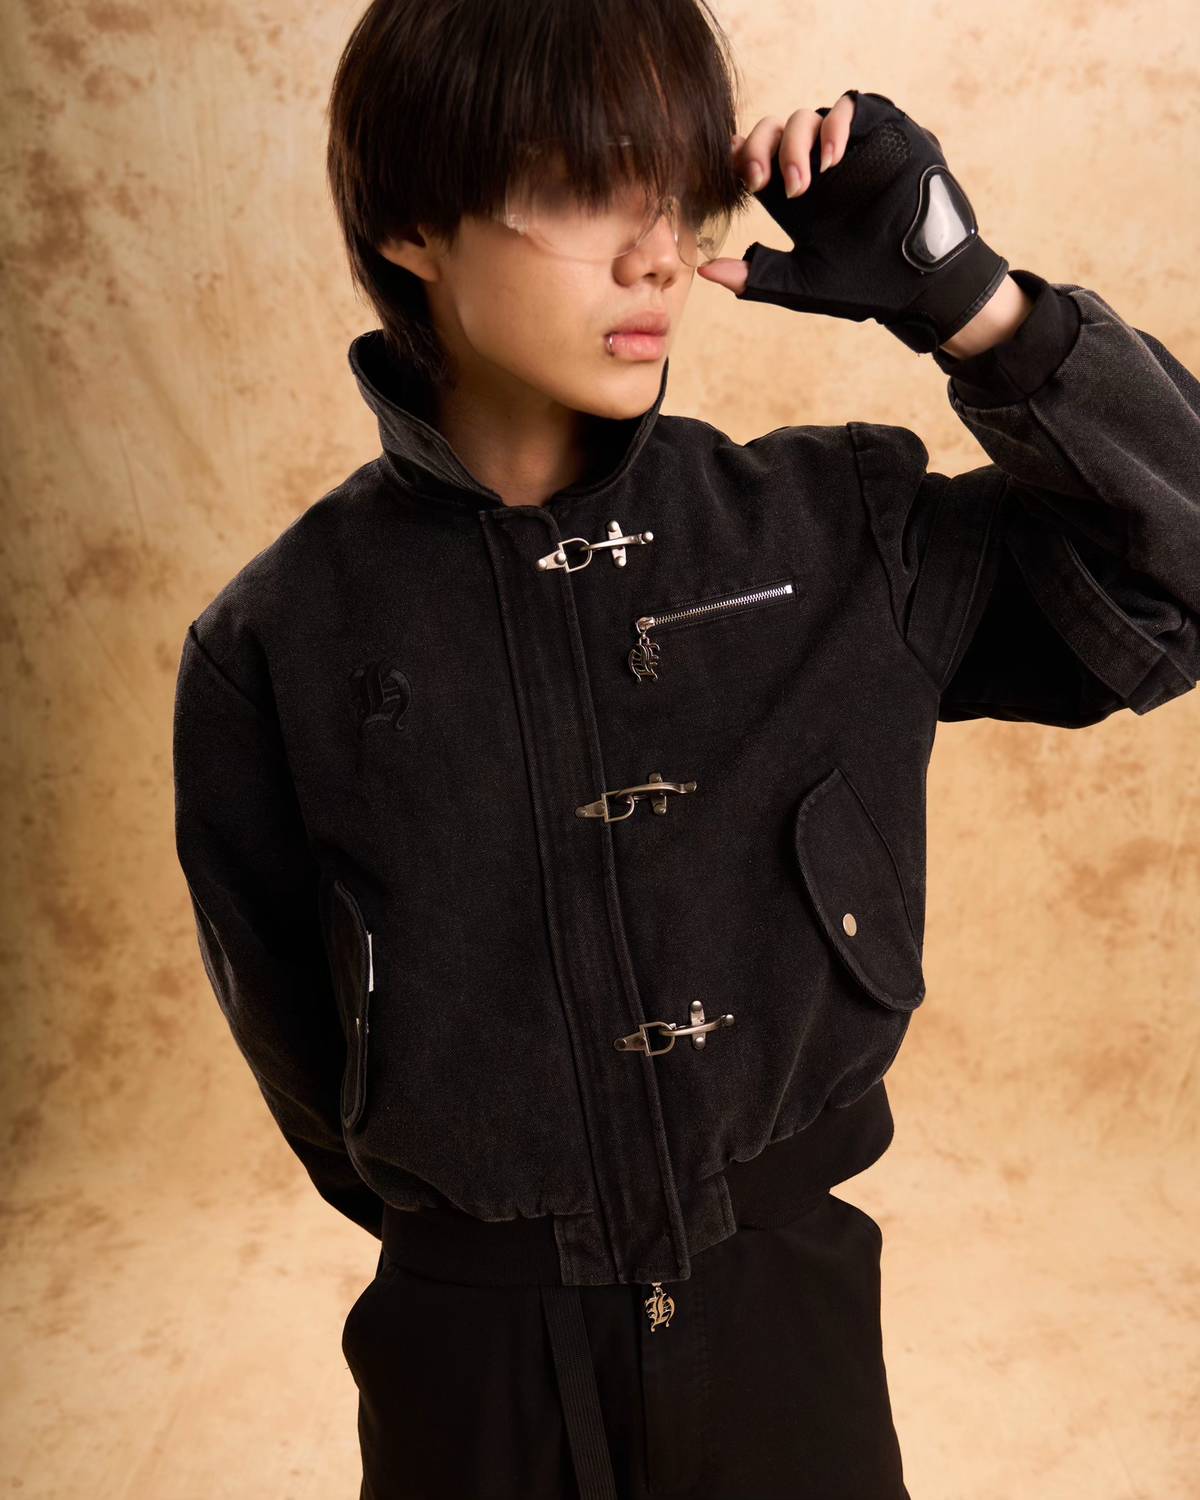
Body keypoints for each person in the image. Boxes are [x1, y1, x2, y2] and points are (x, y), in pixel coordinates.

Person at [171, 2, 1200, 1496]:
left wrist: (974, 301)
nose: (656, 255)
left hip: (788, 1339)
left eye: (673, 194)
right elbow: (307, 1062)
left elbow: (1178, 582)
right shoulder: (274, 643)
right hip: (467, 1376)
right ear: (411, 225)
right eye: (583, 190)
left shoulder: (835, 539)